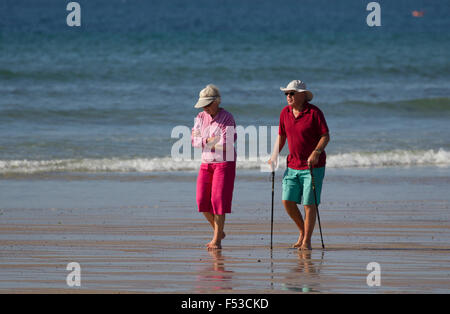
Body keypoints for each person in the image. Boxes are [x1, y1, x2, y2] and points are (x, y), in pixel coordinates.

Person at [269, 80, 330, 250]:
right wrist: (274, 156)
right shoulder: (285, 113)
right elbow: (281, 136)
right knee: (287, 201)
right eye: (286, 94)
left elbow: (325, 136)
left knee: (309, 205)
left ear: (302, 95)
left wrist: (316, 152)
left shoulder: (314, 113)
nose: (288, 96)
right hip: (292, 165)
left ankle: (307, 241)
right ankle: (303, 231)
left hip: (313, 166)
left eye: (292, 93)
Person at [191, 84, 237, 250]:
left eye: (207, 104)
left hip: (224, 164)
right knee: (202, 201)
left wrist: (206, 140)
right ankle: (220, 231)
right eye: (203, 105)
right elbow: (194, 141)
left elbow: (227, 144)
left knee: (218, 201)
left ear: (216, 101)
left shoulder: (227, 118)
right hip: (206, 163)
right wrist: (209, 140)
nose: (205, 108)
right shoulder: (200, 117)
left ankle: (216, 239)